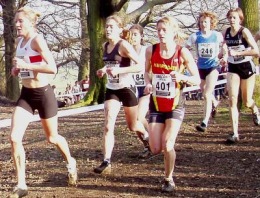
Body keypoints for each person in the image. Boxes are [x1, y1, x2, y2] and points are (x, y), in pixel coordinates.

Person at [9, 7, 77, 198]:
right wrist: (16, 70)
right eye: (15, 21)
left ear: (31, 22)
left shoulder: (37, 40)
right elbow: (23, 67)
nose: (17, 24)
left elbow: (52, 68)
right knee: (14, 138)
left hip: (44, 94)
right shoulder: (19, 41)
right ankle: (21, 184)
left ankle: (70, 162)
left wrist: (26, 65)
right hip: (27, 95)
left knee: (52, 138)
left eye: (20, 21)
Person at [144, 16, 200, 192]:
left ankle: (168, 179)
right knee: (155, 148)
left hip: (175, 104)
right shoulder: (150, 50)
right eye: (158, 30)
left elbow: (197, 79)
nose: (160, 33)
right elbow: (146, 72)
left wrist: (183, 77)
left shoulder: (182, 53)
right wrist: (148, 83)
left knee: (168, 144)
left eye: (164, 30)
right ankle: (166, 165)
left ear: (173, 32)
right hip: (156, 104)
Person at [94, 15, 149, 174]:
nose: (108, 29)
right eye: (107, 27)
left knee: (132, 126)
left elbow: (139, 66)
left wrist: (120, 70)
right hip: (112, 89)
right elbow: (110, 64)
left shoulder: (123, 45)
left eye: (112, 27)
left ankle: (146, 136)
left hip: (127, 88)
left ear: (119, 29)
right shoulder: (105, 46)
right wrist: (103, 71)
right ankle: (106, 160)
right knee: (108, 124)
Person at [222, 7, 260, 143]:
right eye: (230, 17)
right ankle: (234, 133)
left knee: (247, 100)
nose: (232, 20)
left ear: (240, 19)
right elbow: (224, 46)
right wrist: (223, 54)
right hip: (233, 67)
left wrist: (238, 53)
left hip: (246, 67)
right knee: (232, 100)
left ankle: (255, 109)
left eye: (234, 17)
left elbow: (256, 51)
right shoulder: (225, 31)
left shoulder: (244, 32)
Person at [186, 11, 225, 132]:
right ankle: (215, 102)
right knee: (204, 91)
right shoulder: (195, 36)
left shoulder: (217, 35)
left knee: (207, 94)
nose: (203, 24)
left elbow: (224, 46)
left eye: (206, 22)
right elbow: (185, 48)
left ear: (211, 23)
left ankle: (204, 122)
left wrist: (224, 55)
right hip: (200, 68)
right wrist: (190, 58)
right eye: (202, 22)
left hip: (213, 66)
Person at [129, 24, 151, 158]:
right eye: (131, 34)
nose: (133, 37)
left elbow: (151, 67)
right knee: (133, 122)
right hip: (131, 88)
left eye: (136, 34)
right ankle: (147, 145)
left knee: (139, 117)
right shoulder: (126, 51)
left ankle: (152, 141)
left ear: (141, 36)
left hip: (144, 88)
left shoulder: (146, 50)